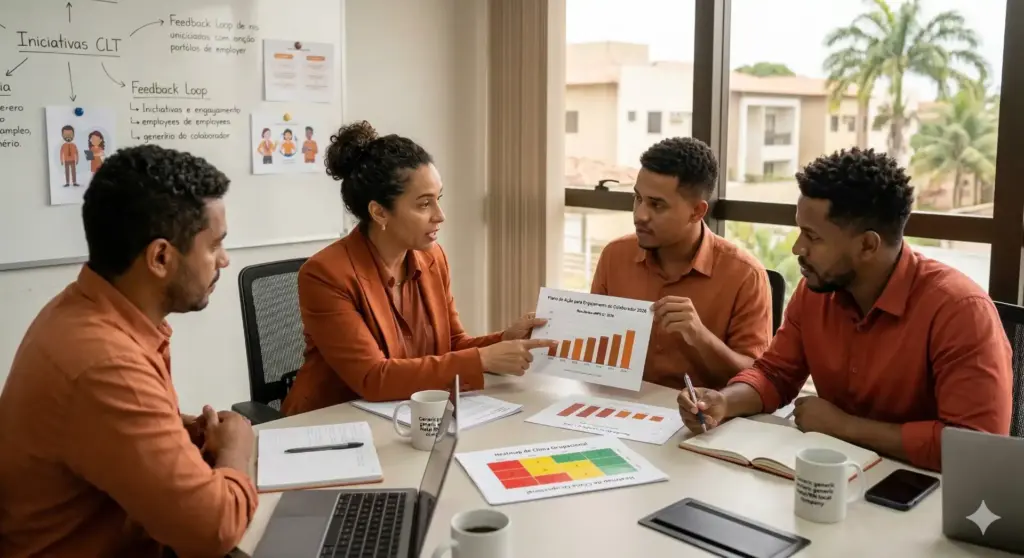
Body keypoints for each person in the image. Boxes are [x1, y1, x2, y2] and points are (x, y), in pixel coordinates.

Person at [678, 148, 1012, 472]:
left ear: (868, 245)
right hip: (832, 476)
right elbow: (774, 374)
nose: (798, 248)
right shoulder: (815, 291)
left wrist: (845, 427)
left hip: (925, 497)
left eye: (813, 236)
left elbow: (975, 446)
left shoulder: (960, 311)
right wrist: (725, 402)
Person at [0, 145, 258, 557]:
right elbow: (212, 531)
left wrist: (180, 432)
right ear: (160, 257)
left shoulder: (83, 309)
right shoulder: (105, 362)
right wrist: (236, 446)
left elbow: (105, 436)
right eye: (214, 246)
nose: (224, 261)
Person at [282, 121, 556, 415]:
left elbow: (451, 344)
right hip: (331, 422)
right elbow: (372, 378)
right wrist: (483, 359)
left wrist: (505, 340)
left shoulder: (432, 257)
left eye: (438, 199)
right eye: (424, 204)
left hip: (404, 414)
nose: (440, 215)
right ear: (379, 212)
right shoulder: (325, 274)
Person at [590, 137, 772, 391]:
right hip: (619, 407)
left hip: (701, 420)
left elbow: (757, 378)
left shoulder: (745, 275)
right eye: (638, 198)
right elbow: (592, 347)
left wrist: (699, 336)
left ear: (697, 212)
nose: (640, 215)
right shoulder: (615, 255)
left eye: (657, 205)